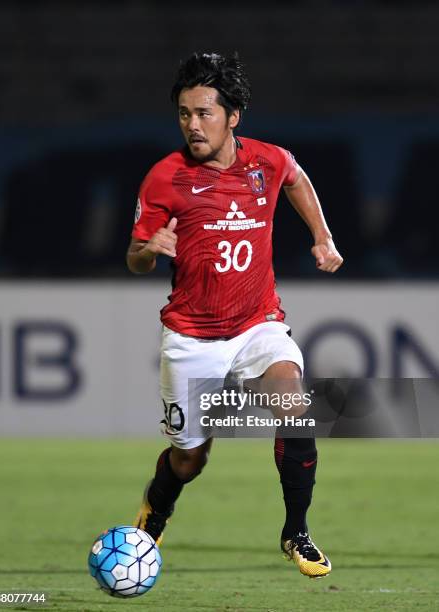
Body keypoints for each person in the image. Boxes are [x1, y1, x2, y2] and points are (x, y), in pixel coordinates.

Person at [127, 52, 343, 579]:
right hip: (191, 336)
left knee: (294, 403)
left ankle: (296, 531)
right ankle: (155, 515)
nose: (192, 125)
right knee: (189, 460)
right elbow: (135, 259)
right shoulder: (165, 178)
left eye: (204, 113)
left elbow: (296, 178)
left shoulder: (265, 161)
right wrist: (149, 249)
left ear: (233, 116)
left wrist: (322, 235)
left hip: (256, 323)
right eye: (184, 113)